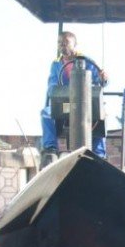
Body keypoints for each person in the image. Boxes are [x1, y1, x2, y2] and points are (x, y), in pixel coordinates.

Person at [41, 31, 108, 159]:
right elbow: (52, 86)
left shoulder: (87, 61)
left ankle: (99, 154)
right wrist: (58, 91)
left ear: (74, 44)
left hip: (86, 106)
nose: (62, 46)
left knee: (101, 115)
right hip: (68, 106)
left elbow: (100, 81)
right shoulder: (56, 64)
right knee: (46, 112)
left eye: (66, 43)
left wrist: (103, 78)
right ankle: (50, 148)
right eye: (60, 43)